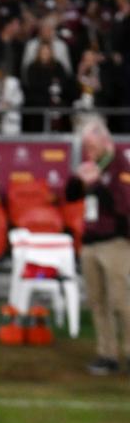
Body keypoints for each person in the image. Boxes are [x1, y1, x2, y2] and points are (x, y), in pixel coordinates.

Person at [64, 119, 130, 375]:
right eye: (85, 147)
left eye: (91, 146)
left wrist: (99, 183)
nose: (88, 152)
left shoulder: (120, 164)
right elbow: (70, 196)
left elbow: (124, 204)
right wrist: (78, 180)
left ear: (105, 142)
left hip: (115, 242)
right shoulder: (91, 166)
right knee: (97, 302)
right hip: (90, 240)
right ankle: (107, 354)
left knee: (120, 301)